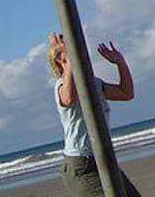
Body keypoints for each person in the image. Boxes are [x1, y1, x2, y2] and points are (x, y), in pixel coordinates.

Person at [47, 33, 141, 196]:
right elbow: (69, 98)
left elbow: (126, 93)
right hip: (82, 164)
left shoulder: (94, 82)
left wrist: (120, 63)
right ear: (60, 61)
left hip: (103, 157)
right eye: (71, 52)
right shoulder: (60, 86)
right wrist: (69, 62)